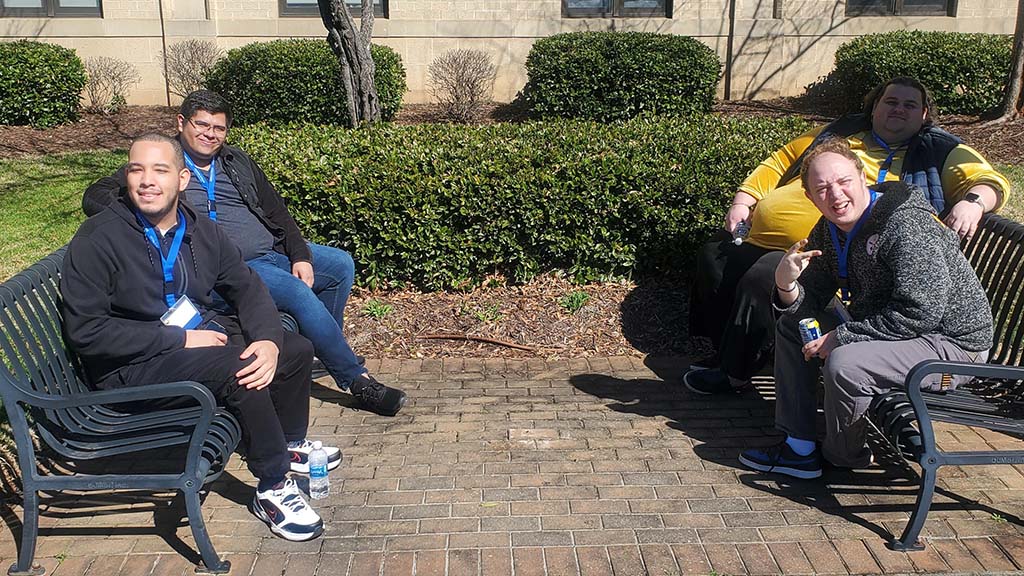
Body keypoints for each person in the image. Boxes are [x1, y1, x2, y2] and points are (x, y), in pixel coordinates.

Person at [62, 133, 343, 540]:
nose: (147, 180)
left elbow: (246, 286)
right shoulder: (98, 239)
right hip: (129, 367)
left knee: (293, 348)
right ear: (126, 177)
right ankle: (273, 485)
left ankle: (287, 442)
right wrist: (177, 340)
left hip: (183, 340)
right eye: (137, 169)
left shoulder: (199, 228)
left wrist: (266, 338)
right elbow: (88, 332)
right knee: (238, 368)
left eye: (159, 170)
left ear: (182, 179)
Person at [83, 90, 406, 417]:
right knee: (296, 291)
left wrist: (300, 255)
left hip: (270, 252)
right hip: (230, 268)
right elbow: (96, 195)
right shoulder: (165, 162)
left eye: (219, 128)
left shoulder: (235, 162)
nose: (210, 134)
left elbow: (276, 211)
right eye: (202, 124)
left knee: (339, 265)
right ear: (181, 123)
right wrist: (141, 214)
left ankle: (318, 352)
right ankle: (356, 379)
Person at [685, 76, 1009, 396]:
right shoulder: (840, 134)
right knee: (715, 257)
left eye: (910, 105)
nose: (899, 109)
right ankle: (731, 351)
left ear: (924, 114)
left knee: (765, 277)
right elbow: (782, 160)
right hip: (793, 239)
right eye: (891, 101)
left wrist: (974, 202)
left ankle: (735, 372)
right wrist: (744, 199)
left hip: (832, 254)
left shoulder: (938, 149)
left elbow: (988, 180)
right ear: (874, 107)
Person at [736, 136, 993, 479]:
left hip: (950, 346)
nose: (836, 195)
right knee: (795, 326)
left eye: (843, 182)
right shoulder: (830, 228)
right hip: (899, 332)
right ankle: (799, 448)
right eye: (822, 188)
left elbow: (921, 311)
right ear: (810, 197)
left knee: (845, 363)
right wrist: (786, 285)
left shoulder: (905, 225)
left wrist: (842, 336)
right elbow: (811, 294)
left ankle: (844, 457)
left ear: (862, 178)